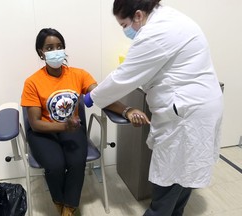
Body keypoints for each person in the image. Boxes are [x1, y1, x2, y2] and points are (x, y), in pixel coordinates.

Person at [84, 0, 224, 215]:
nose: (125, 31)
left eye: (124, 25)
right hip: (199, 104)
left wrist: (91, 97)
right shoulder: (170, 18)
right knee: (183, 176)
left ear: (138, 15)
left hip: (187, 114)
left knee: (171, 178)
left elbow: (123, 77)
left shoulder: (156, 33)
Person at [21, 28, 147, 216]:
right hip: (44, 131)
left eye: (59, 46)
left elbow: (102, 96)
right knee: (55, 165)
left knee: (75, 162)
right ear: (41, 52)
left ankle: (69, 208)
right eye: (49, 48)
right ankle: (59, 200)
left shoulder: (79, 75)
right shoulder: (33, 82)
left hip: (71, 129)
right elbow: (35, 123)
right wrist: (64, 125)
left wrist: (128, 110)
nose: (56, 51)